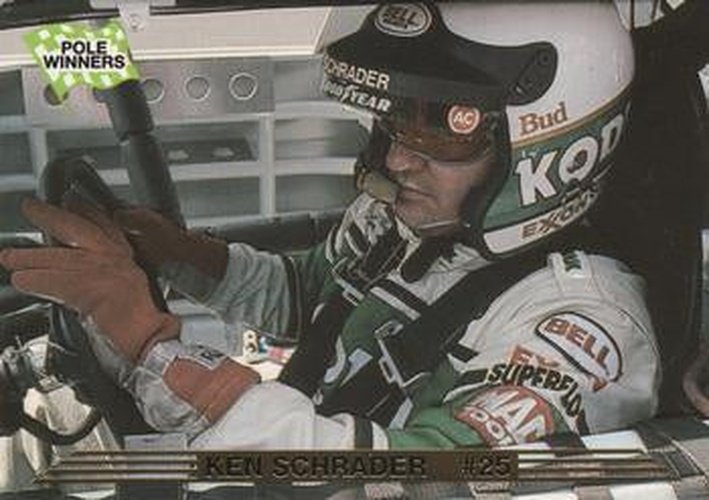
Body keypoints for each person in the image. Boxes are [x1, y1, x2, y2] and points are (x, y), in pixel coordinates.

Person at [0, 1, 660, 450]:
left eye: (442, 130)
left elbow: (404, 480)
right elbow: (307, 295)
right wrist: (176, 253)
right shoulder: (408, 216)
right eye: (396, 119)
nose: (397, 159)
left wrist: (151, 346)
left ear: (551, 148)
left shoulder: (581, 327)